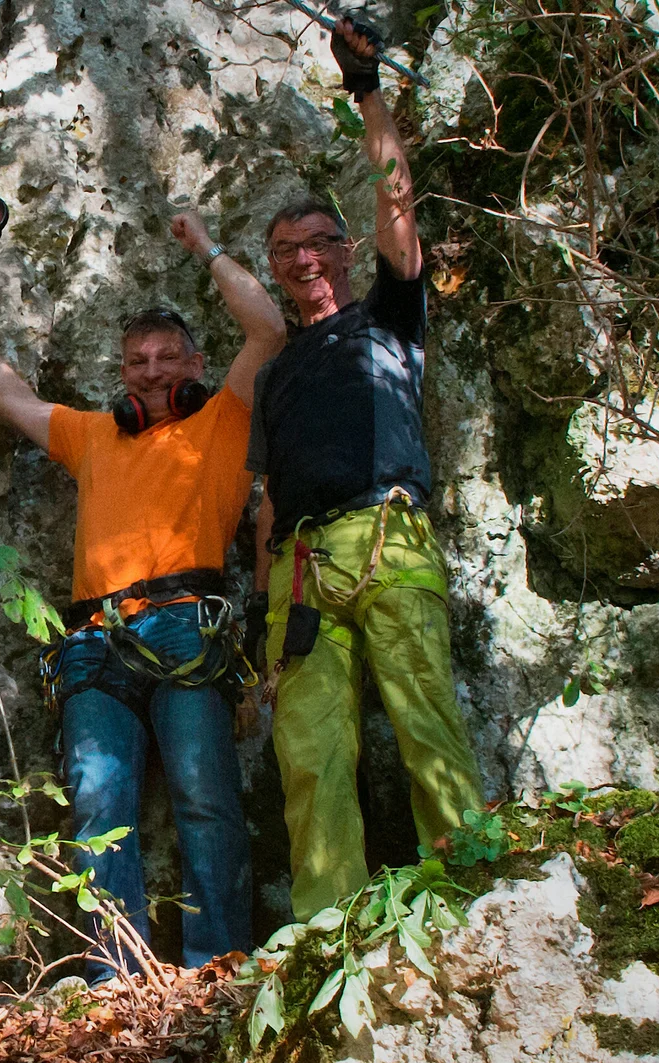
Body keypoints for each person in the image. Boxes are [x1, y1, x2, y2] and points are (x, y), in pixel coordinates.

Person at [0, 207, 284, 977]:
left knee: (206, 802)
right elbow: (5, 396)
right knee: (99, 807)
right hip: (94, 642)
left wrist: (206, 246)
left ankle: (219, 964)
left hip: (186, 629)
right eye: (137, 360)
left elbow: (267, 331)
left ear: (196, 363)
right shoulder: (95, 434)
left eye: (168, 357)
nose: (152, 371)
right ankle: (115, 975)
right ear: (122, 370)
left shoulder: (225, 423)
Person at [246, 15, 485, 921]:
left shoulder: (390, 316)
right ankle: (326, 931)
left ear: (344, 251)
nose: (304, 258)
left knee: (428, 724)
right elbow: (266, 500)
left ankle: (472, 892)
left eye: (318, 242)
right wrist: (265, 624)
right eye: (286, 252)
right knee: (310, 756)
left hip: (389, 539)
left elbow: (398, 205)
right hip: (300, 575)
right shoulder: (274, 376)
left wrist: (366, 89)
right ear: (274, 269)